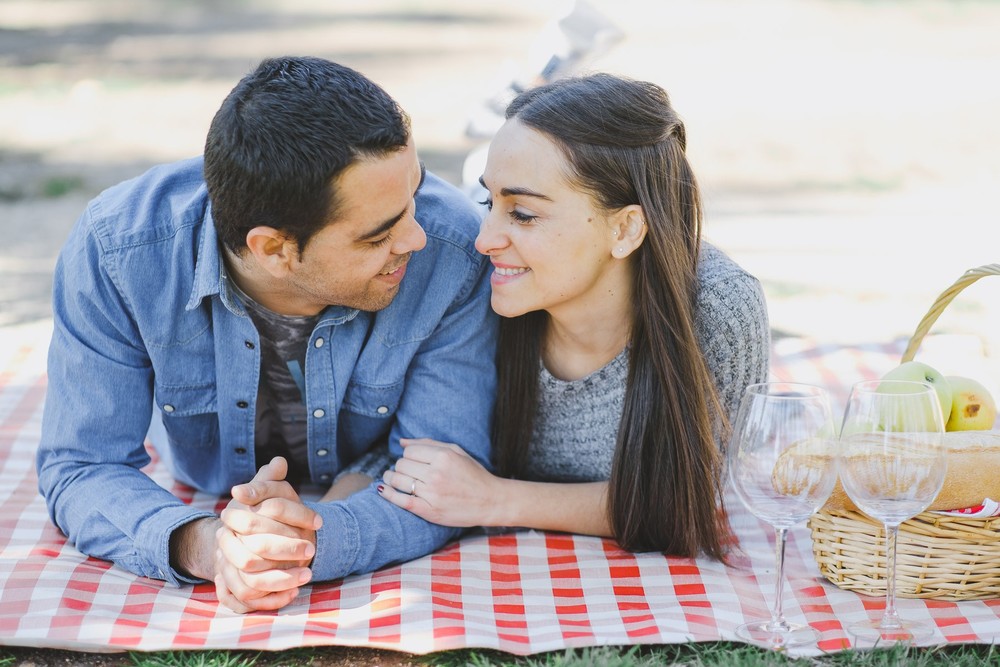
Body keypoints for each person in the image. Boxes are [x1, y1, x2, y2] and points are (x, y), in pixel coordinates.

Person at [36, 56, 498, 613]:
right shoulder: (119, 252)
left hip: (365, 487)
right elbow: (83, 465)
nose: (417, 238)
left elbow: (443, 472)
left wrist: (306, 542)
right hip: (208, 491)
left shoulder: (457, 252)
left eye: (414, 196)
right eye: (378, 236)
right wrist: (206, 546)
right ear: (273, 249)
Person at [376, 73, 769, 559]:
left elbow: (687, 503)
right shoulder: (479, 283)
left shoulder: (718, 308)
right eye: (488, 202)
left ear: (625, 228)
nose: (484, 240)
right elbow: (410, 457)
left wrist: (495, 498)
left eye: (522, 214)